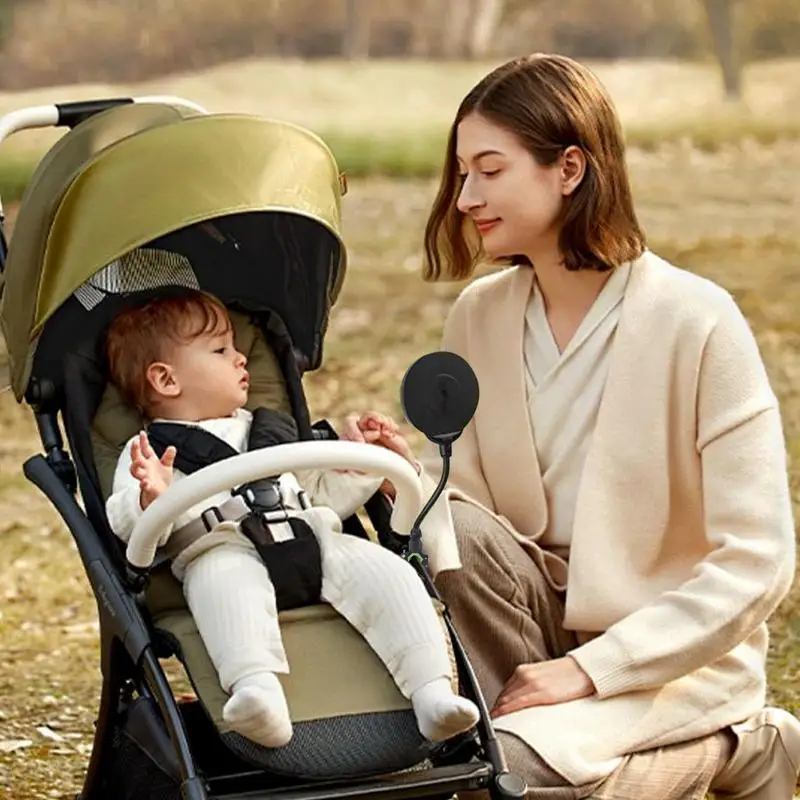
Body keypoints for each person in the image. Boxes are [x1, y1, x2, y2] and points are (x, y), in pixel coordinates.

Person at [344, 53, 800, 799]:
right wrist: (408, 477)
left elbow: (757, 563)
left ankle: (737, 742)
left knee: (512, 779)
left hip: (668, 661)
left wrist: (591, 669)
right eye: (462, 173)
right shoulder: (480, 316)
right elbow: (476, 523)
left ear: (570, 168)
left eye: (489, 169)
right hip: (526, 645)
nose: (465, 196)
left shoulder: (698, 320)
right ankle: (517, 739)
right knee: (448, 530)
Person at [103, 287, 480, 751]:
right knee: (224, 587)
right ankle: (258, 693)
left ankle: (432, 692)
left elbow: (319, 495)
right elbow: (127, 526)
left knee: (391, 575)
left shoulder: (269, 431)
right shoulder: (150, 453)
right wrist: (150, 498)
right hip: (223, 548)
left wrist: (359, 464)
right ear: (165, 380)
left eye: (238, 348)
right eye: (221, 350)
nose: (241, 358)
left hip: (311, 538)